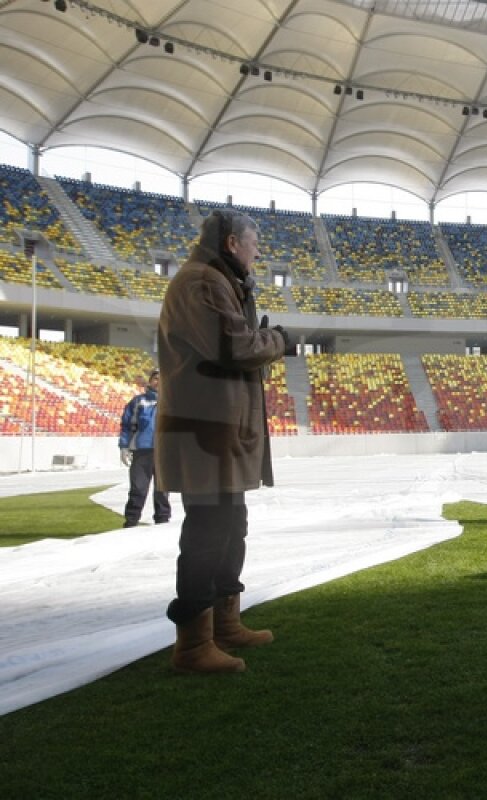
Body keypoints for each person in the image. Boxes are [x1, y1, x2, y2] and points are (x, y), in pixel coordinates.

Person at [156, 208, 290, 674]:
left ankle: (224, 625)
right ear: (232, 243)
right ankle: (192, 646)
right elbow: (234, 348)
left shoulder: (219, 281)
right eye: (254, 245)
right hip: (204, 429)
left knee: (231, 527)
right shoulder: (201, 282)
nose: (257, 254)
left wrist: (259, 334)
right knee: (208, 532)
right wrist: (275, 339)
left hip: (219, 428)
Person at [117, 369, 170, 528]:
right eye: (155, 378)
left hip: (164, 452)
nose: (158, 382)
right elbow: (126, 425)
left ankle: (162, 521)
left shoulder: (172, 402)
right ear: (150, 381)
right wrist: (124, 446)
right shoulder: (138, 402)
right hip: (142, 451)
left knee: (162, 491)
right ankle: (131, 521)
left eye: (162, 379)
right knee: (138, 489)